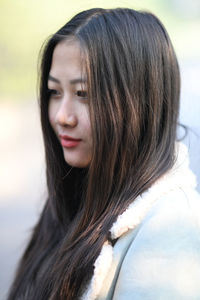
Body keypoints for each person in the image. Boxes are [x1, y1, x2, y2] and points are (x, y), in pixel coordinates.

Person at [7, 7, 200, 300]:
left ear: (139, 101)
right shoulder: (76, 195)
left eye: (83, 94)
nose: (62, 116)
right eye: (54, 92)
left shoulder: (170, 226)